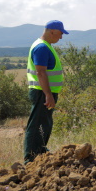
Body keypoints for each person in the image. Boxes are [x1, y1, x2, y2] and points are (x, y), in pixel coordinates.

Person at [24, 20, 69, 164]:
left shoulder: (46, 45)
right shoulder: (42, 47)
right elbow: (40, 72)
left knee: (44, 124)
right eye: (60, 33)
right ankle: (31, 158)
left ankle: (40, 151)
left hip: (45, 92)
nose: (61, 37)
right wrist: (48, 95)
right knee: (37, 124)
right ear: (52, 31)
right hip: (42, 93)